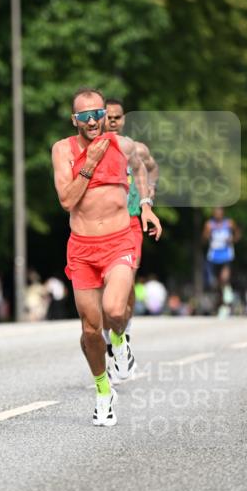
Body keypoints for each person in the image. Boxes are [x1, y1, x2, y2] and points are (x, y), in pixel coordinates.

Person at [52, 87, 162, 427]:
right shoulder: (63, 150)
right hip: (83, 248)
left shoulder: (124, 145)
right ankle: (103, 392)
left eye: (97, 114)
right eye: (84, 116)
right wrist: (92, 163)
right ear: (75, 120)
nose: (92, 121)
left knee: (115, 310)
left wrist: (145, 205)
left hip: (118, 241)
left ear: (105, 114)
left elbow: (143, 168)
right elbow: (67, 200)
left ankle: (120, 341)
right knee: (88, 330)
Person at [103, 98, 159, 367]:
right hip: (101, 226)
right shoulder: (94, 149)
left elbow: (152, 169)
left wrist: (149, 195)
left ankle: (125, 333)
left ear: (124, 119)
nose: (113, 121)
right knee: (104, 288)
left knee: (126, 282)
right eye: (108, 116)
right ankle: (110, 341)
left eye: (117, 117)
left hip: (131, 222)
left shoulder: (135, 149)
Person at [203, 208, 240, 291]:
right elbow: (204, 238)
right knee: (213, 282)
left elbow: (237, 233)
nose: (218, 215)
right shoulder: (209, 224)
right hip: (213, 255)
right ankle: (218, 292)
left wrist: (233, 239)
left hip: (226, 254)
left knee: (224, 279)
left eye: (219, 213)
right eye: (216, 213)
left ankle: (226, 295)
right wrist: (207, 235)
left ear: (223, 213)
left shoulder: (229, 223)